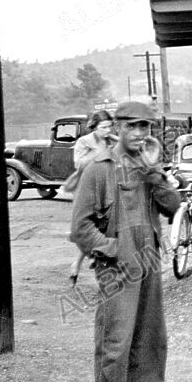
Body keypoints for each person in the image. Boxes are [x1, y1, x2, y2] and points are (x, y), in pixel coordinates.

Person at [70, 101, 181, 382]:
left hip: (148, 265)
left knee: (150, 341)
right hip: (117, 269)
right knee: (114, 344)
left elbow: (173, 206)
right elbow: (81, 228)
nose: (139, 134)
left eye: (145, 128)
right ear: (117, 128)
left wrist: (155, 171)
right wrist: (114, 250)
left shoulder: (148, 167)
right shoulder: (98, 169)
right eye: (132, 127)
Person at [65, 110, 118, 286]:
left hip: (105, 189)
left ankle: (82, 262)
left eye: (110, 126)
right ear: (94, 127)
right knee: (86, 225)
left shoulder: (113, 141)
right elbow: (78, 164)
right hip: (86, 189)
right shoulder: (83, 142)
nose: (108, 130)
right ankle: (81, 262)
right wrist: (100, 152)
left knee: (102, 225)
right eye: (103, 127)